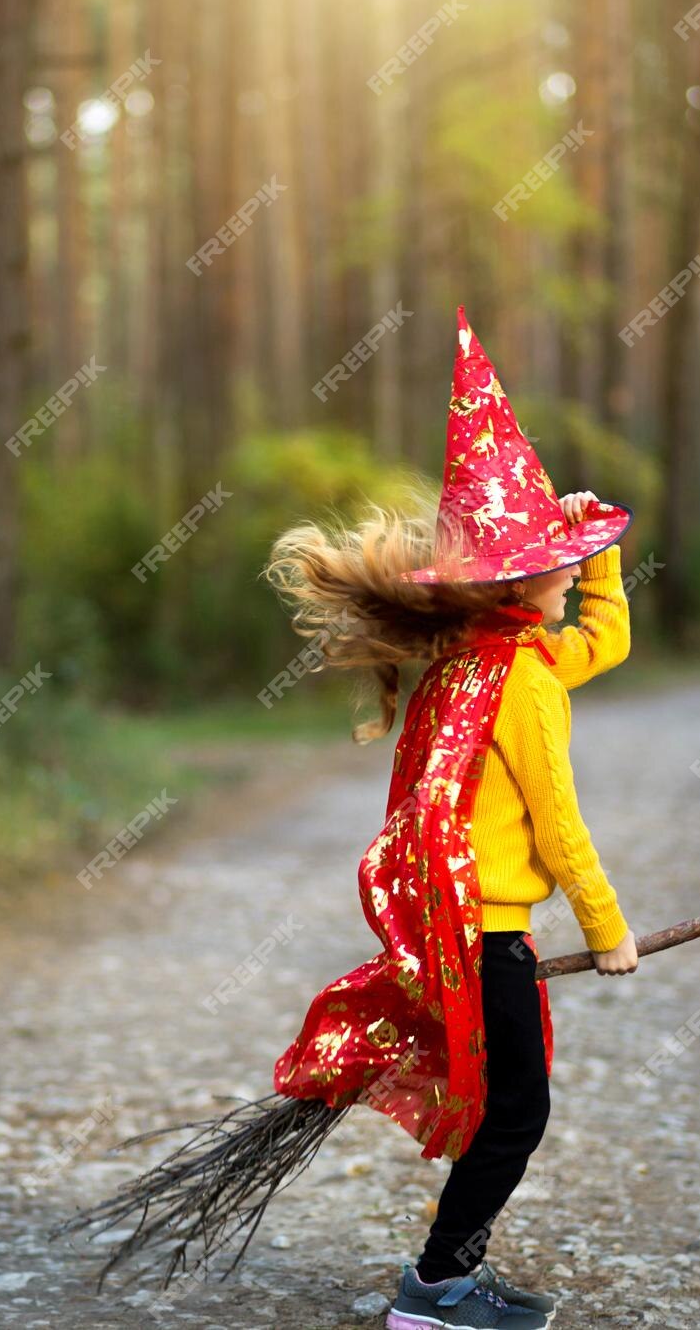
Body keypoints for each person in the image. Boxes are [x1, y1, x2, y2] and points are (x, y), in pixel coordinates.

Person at [266, 309, 638, 1330]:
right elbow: (558, 825)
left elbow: (604, 638)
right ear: (520, 579)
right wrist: (606, 928)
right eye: (561, 558)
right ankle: (432, 1294)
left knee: (502, 1109)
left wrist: (597, 551)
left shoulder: (481, 660)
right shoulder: (517, 676)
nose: (572, 567)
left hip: (464, 926)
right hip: (487, 936)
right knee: (516, 1112)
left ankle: (450, 1276)